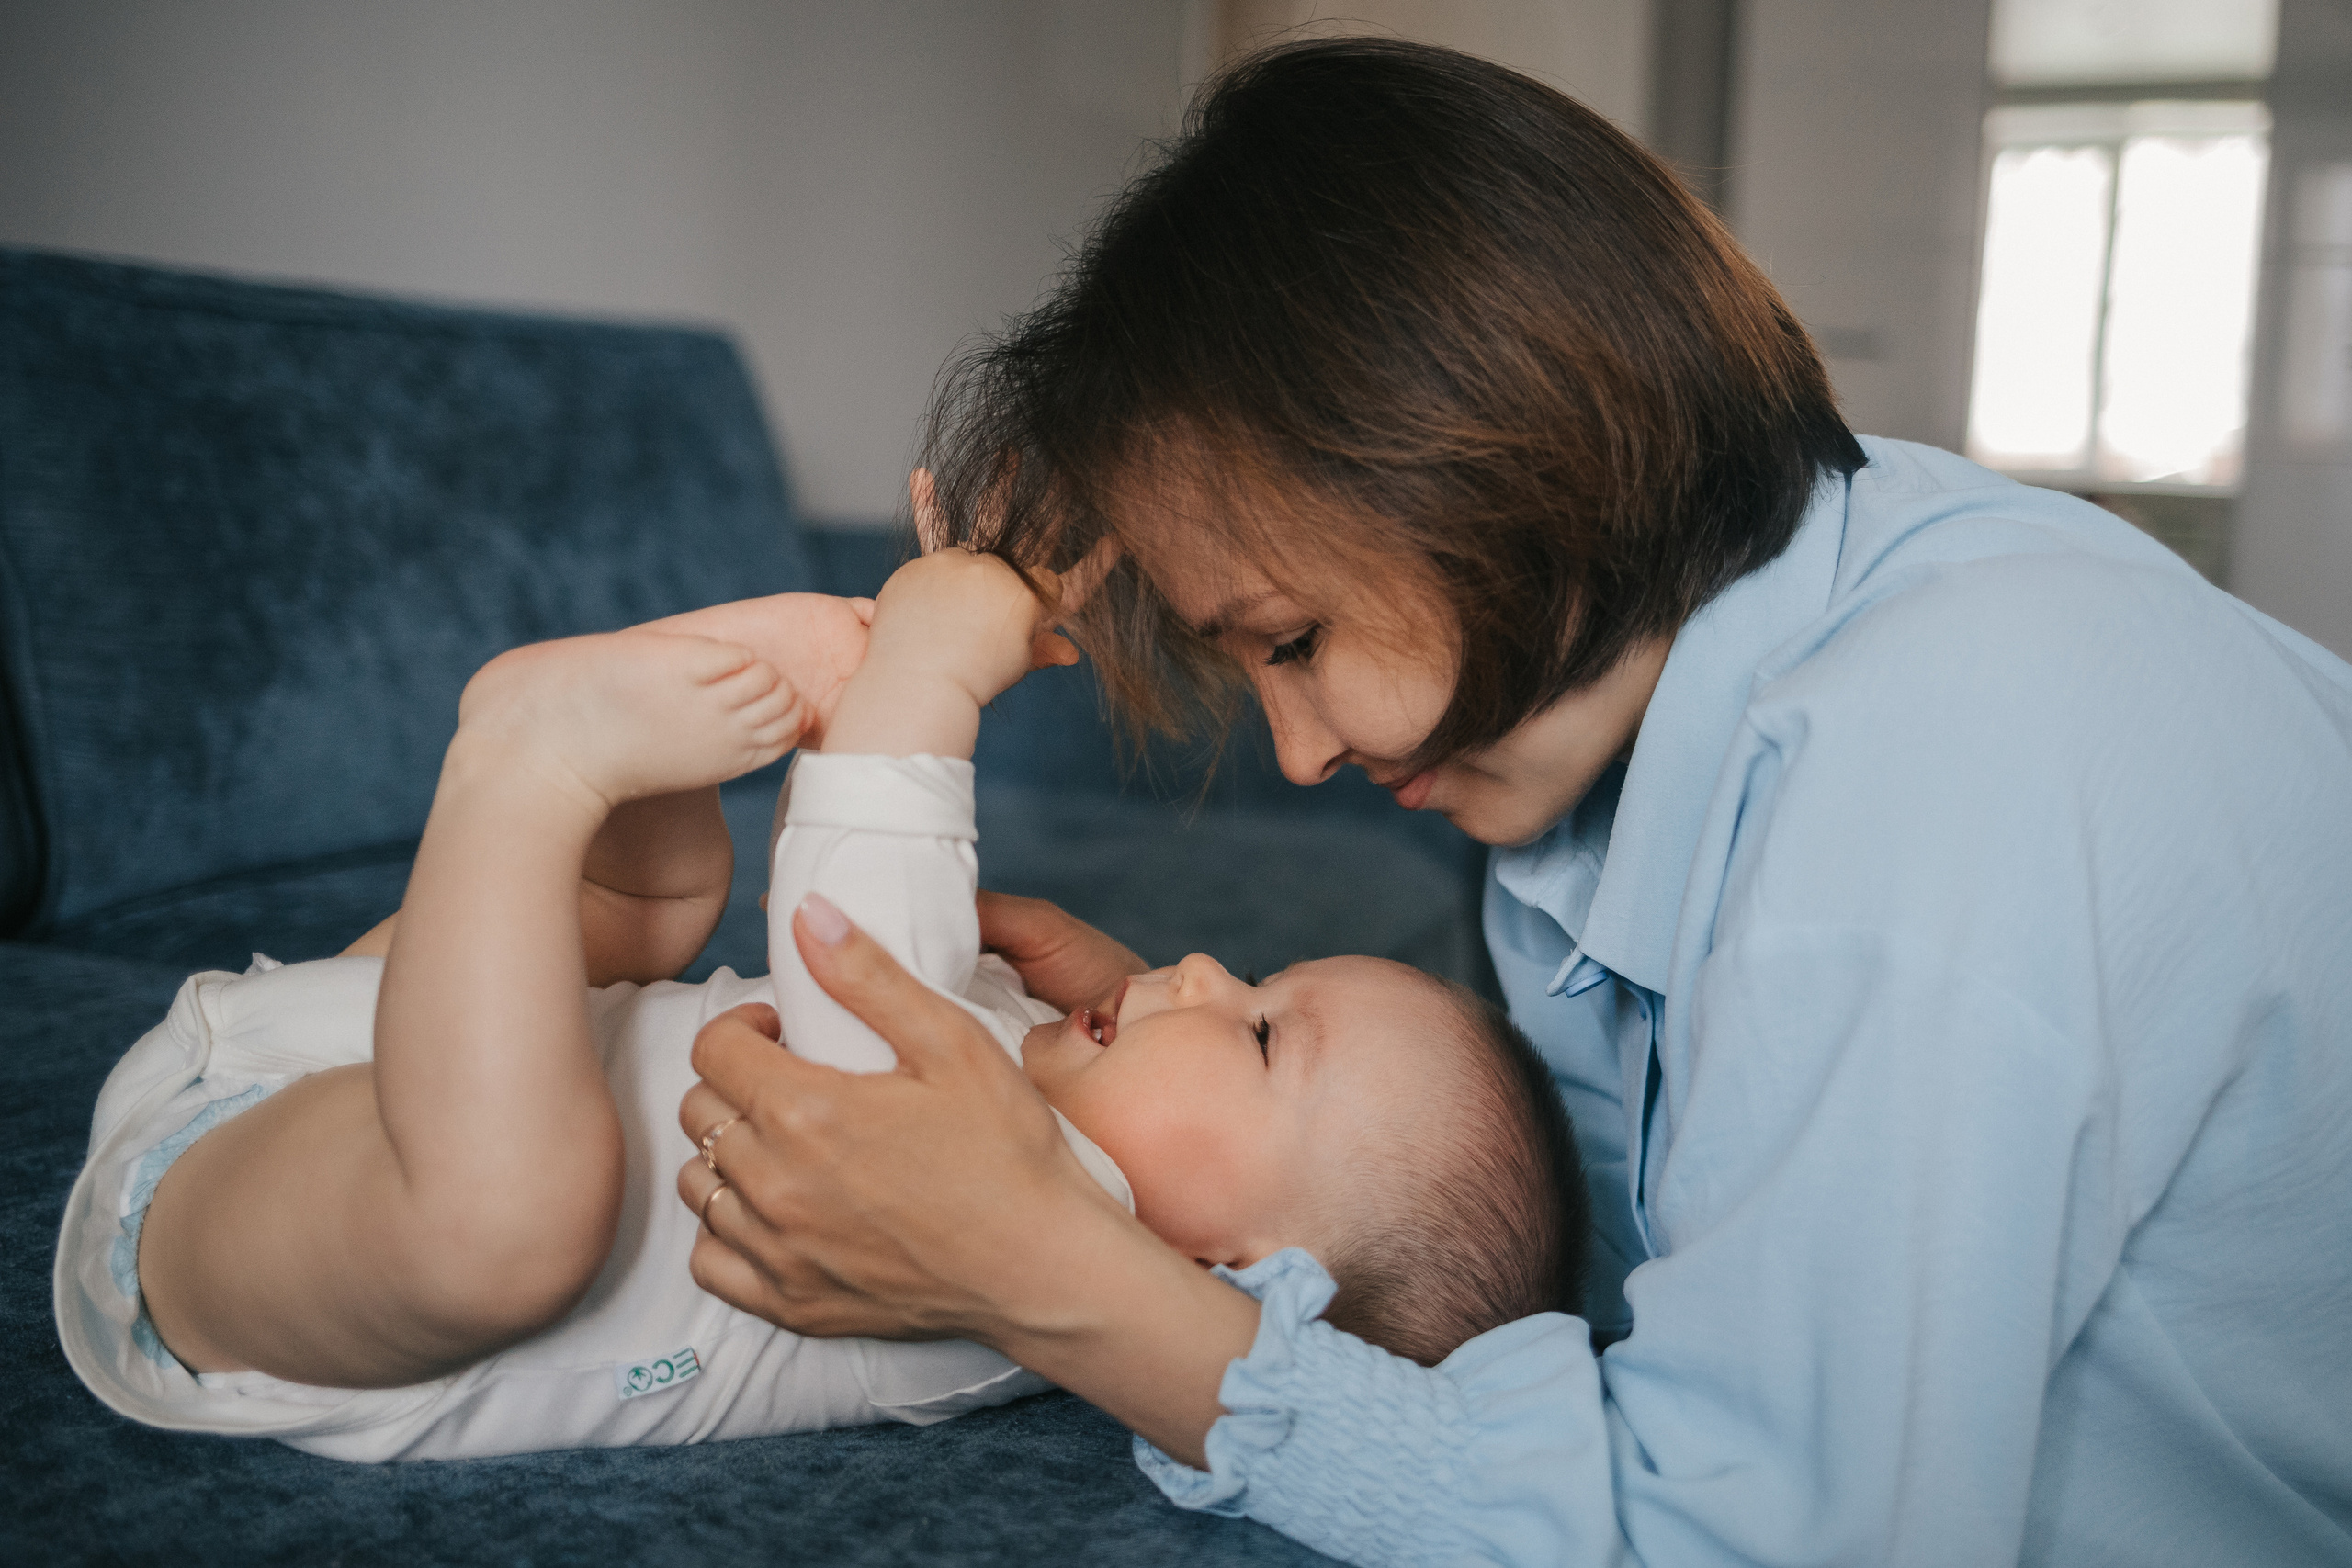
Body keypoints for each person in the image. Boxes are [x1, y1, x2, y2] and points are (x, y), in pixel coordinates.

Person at [673, 38, 2352, 1567]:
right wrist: (1176, 1130)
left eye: (1297, 642)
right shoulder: (1631, 746)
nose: (1305, 756)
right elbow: (1618, 1328)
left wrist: (1039, 1266)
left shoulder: (1944, 760)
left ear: (1485, 455)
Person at [53, 546, 1588, 1461]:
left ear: (1249, 1279)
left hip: (253, 1248)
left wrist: (921, 676)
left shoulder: (1003, 1289)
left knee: (520, 1208)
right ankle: (618, 733)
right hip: (390, 1059)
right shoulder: (1045, 1122)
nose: (1191, 968)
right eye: (1251, 974)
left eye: (1259, 1029)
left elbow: (859, 924)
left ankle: (528, 766)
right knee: (655, 923)